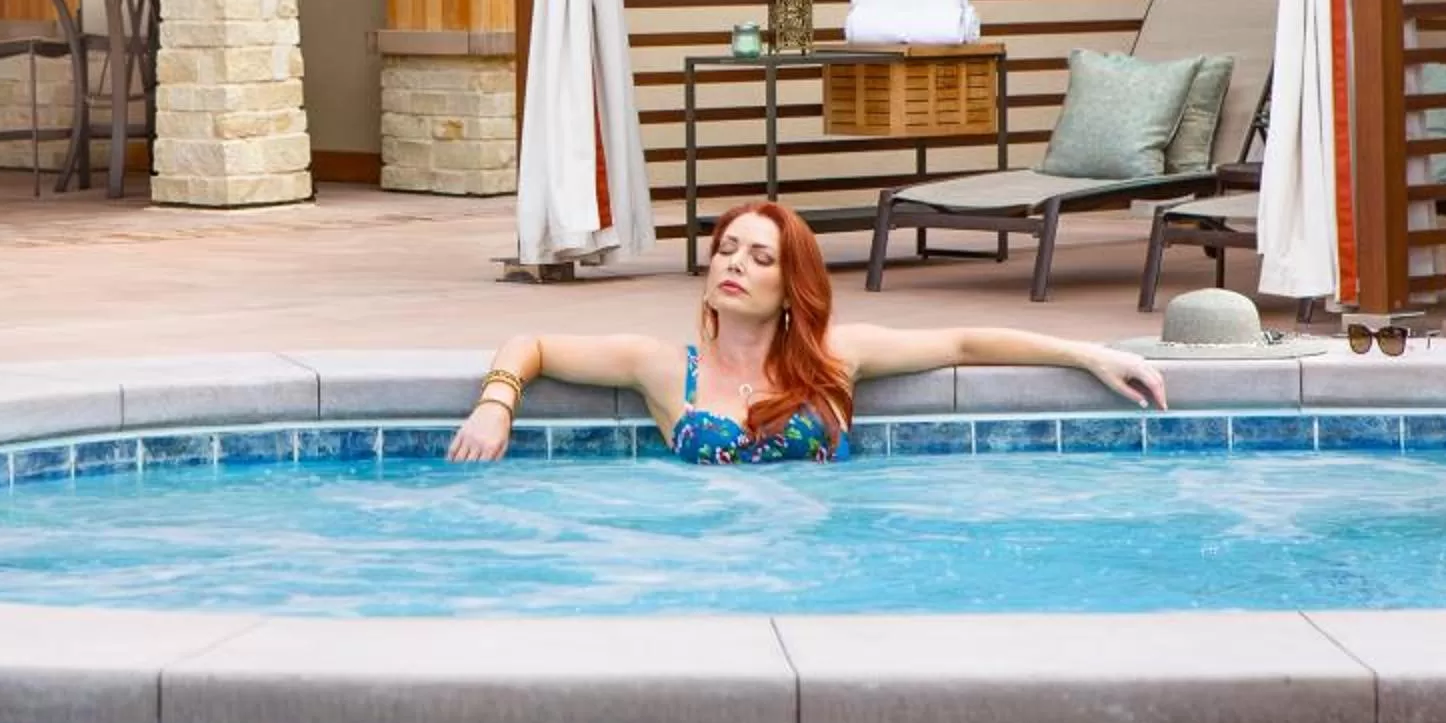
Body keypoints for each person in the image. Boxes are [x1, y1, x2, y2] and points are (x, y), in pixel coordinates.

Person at [449, 199, 1167, 464]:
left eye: (759, 258)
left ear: (791, 287)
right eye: (727, 250)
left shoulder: (835, 359)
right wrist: (497, 402)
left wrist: (1088, 353)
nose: (734, 265)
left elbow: (963, 342)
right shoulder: (666, 369)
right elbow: (530, 343)